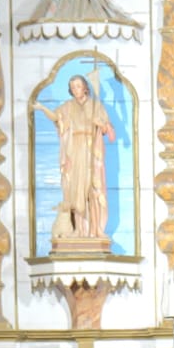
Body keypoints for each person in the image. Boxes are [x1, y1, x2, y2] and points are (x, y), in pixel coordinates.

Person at [36, 73, 117, 245]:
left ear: (85, 87)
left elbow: (110, 134)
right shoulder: (67, 107)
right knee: (75, 191)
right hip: (74, 150)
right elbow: (56, 118)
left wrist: (100, 123)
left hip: (91, 149)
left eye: (78, 86)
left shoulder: (96, 106)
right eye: (72, 87)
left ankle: (96, 230)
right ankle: (78, 230)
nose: (75, 90)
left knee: (92, 191)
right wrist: (43, 109)